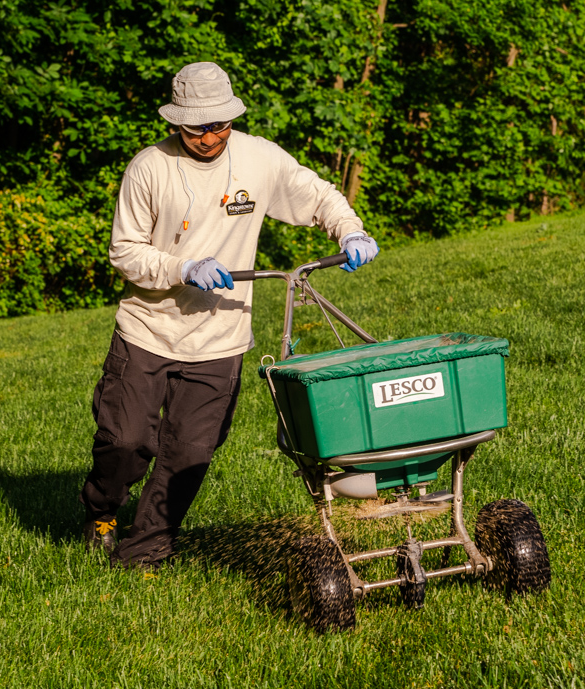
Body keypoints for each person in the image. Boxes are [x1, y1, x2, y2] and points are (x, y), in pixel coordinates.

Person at [79, 61, 379, 569]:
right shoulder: (149, 168)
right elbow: (124, 252)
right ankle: (102, 511)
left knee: (190, 453)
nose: (212, 136)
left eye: (221, 123)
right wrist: (183, 267)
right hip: (148, 329)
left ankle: (145, 549)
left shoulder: (257, 158)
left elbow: (318, 195)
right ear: (177, 123)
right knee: (125, 441)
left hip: (222, 337)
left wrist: (349, 229)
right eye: (199, 127)